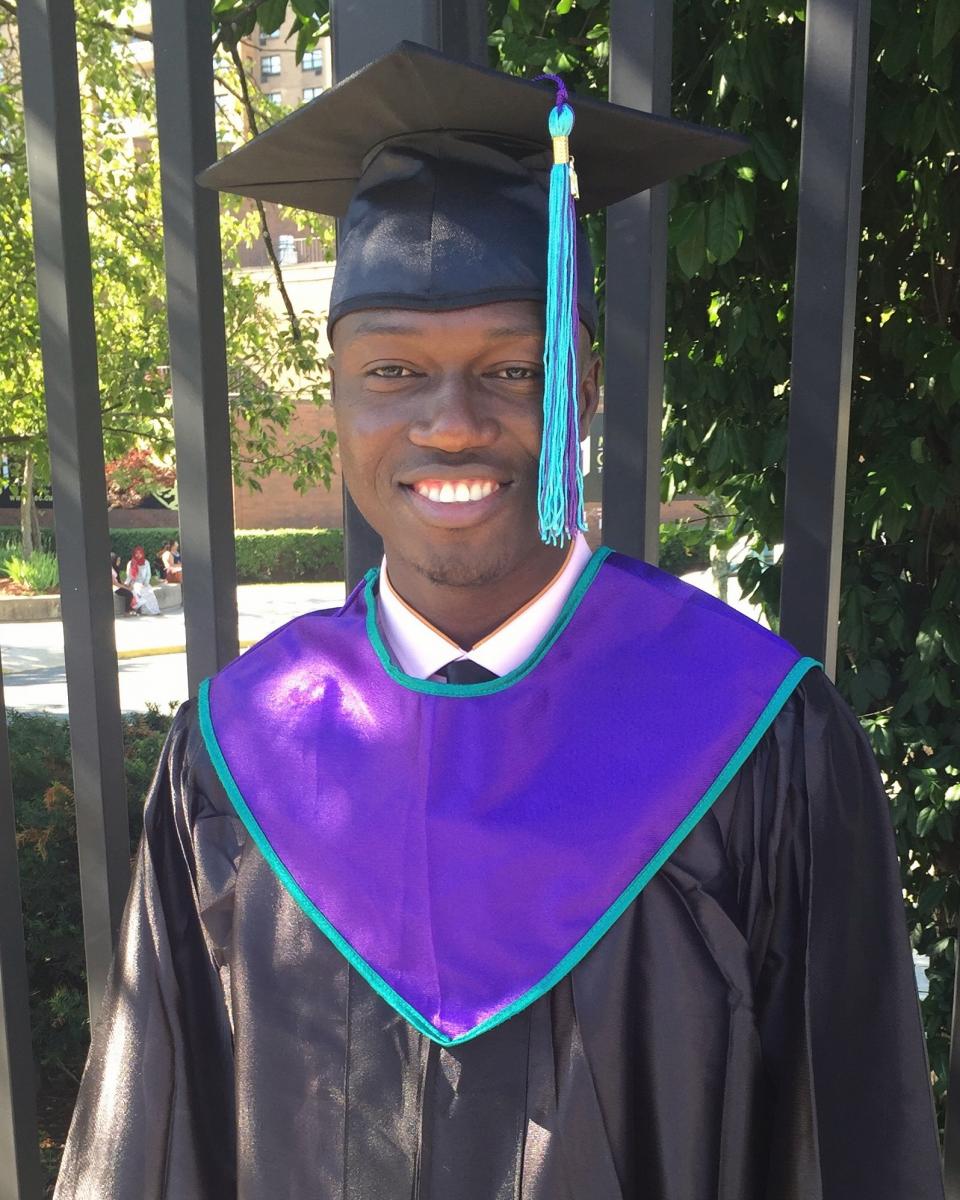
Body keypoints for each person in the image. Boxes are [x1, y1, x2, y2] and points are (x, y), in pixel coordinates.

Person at [55, 44, 944, 1199]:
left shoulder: (755, 739)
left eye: (513, 369)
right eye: (392, 371)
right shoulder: (241, 752)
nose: (452, 422)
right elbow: (156, 1146)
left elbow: (848, 1142)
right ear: (336, 399)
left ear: (581, 385)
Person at [124, 544, 160, 617]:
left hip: (144, 583)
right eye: (136, 553)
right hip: (134, 583)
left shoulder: (146, 563)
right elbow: (129, 576)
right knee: (138, 591)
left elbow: (148, 575)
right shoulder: (130, 563)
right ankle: (139, 609)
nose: (138, 555)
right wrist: (127, 584)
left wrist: (145, 583)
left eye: (140, 553)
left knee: (150, 592)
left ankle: (152, 610)